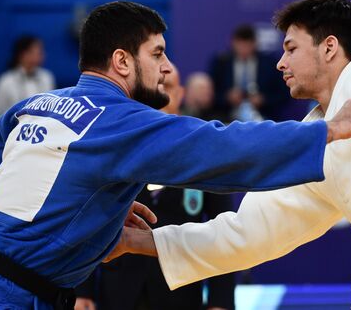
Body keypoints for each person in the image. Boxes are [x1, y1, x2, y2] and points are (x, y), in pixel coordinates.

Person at [0, 1, 351, 310]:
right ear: (122, 62)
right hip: (8, 298)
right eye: (158, 54)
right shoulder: (121, 121)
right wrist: (325, 131)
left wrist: (91, 200)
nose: (166, 68)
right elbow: (223, 148)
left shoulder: (28, 108)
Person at [109, 0, 351, 309]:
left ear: (329, 47)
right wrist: (137, 242)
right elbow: (247, 234)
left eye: (291, 47)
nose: (280, 62)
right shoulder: (315, 143)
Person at [75, 66, 236, 310]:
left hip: (181, 294)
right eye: (153, 88)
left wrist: (220, 301)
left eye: (167, 87)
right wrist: (81, 291)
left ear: (181, 94)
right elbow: (86, 221)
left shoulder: (202, 153)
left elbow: (223, 229)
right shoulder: (114, 149)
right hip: (118, 292)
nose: (160, 96)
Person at [209, 24, 290, 122]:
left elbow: (283, 93)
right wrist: (227, 97)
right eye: (240, 45)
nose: (243, 49)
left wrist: (263, 100)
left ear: (254, 44)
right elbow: (211, 94)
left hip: (264, 116)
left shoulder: (270, 63)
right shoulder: (221, 63)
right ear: (233, 43)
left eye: (247, 45)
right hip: (226, 116)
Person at [0, 35, 56, 126]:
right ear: (23, 54)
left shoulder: (47, 77)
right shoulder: (5, 81)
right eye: (38, 52)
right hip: (13, 134)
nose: (42, 55)